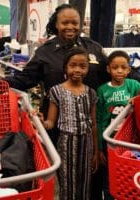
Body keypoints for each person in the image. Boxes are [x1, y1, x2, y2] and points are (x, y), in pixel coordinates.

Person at [0, 3, 109, 145]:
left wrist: (137, 81)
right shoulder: (45, 52)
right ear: (56, 24)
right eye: (65, 22)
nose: (70, 27)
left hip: (89, 121)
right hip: (56, 122)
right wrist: (1, 82)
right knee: (58, 161)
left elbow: (111, 73)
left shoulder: (94, 47)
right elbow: (25, 79)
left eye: (75, 23)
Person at [38, 47, 99, 200]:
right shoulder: (56, 91)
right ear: (65, 67)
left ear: (87, 68)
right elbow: (51, 122)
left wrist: (96, 152)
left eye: (83, 66)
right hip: (66, 143)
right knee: (67, 182)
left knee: (85, 182)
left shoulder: (91, 93)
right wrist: (41, 123)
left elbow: (93, 125)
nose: (77, 69)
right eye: (73, 65)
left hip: (87, 143)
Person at [96, 50, 140, 199]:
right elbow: (97, 119)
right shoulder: (102, 90)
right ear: (108, 69)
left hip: (130, 141)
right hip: (109, 142)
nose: (119, 71)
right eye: (115, 67)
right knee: (108, 177)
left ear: (129, 69)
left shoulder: (134, 85)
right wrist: (98, 148)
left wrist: (138, 100)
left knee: (129, 173)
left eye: (123, 67)